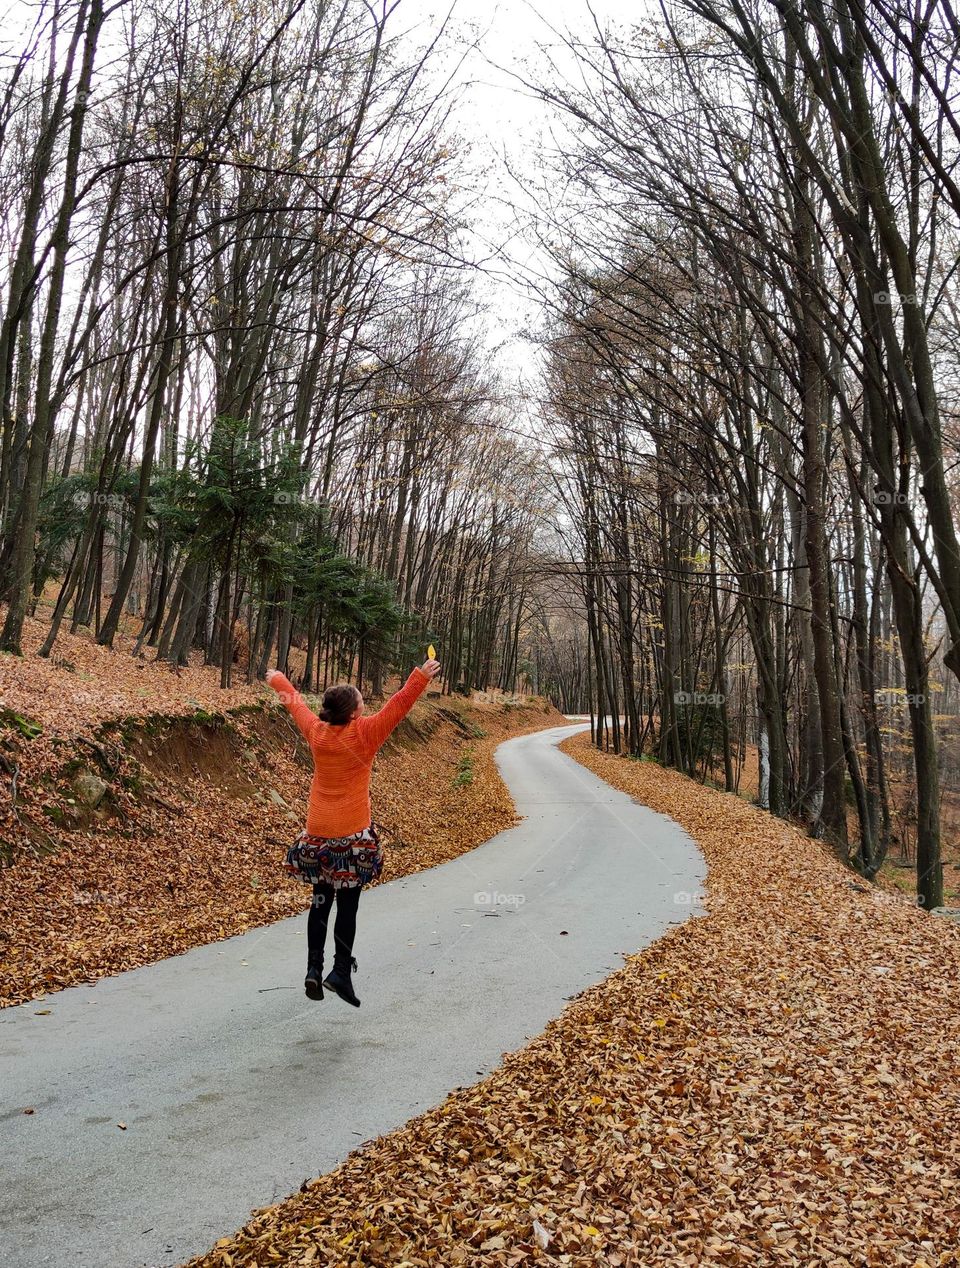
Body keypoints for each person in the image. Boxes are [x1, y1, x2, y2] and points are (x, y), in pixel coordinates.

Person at [266, 657, 441, 1006]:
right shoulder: (366, 733)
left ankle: (313, 969)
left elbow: (296, 705)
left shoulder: (317, 733)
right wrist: (420, 675)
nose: (365, 703)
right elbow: (399, 704)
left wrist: (278, 680)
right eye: (361, 700)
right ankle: (340, 972)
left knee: (320, 902)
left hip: (316, 837)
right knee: (347, 906)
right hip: (351, 839)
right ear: (353, 712)